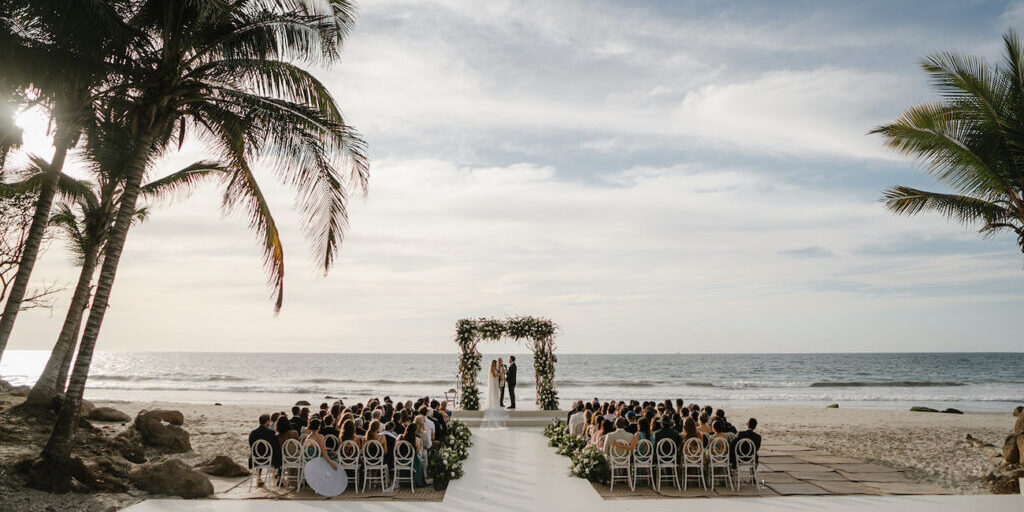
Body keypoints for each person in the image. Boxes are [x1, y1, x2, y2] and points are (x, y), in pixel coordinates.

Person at [248, 414, 281, 486]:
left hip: (255, 458)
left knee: (260, 452)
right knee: (279, 454)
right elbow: (275, 446)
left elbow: (251, 446)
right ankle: (279, 477)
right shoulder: (271, 433)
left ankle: (259, 477)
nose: (270, 422)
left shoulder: (253, 433)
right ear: (267, 422)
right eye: (269, 421)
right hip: (268, 459)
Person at [481, 359, 508, 428]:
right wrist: (500, 374)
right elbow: (494, 375)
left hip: (495, 383)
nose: (496, 364)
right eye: (496, 363)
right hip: (493, 383)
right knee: (494, 393)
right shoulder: (492, 368)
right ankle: (493, 404)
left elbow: (497, 374)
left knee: (496, 393)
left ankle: (496, 403)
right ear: (494, 363)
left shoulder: (495, 368)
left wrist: (500, 373)